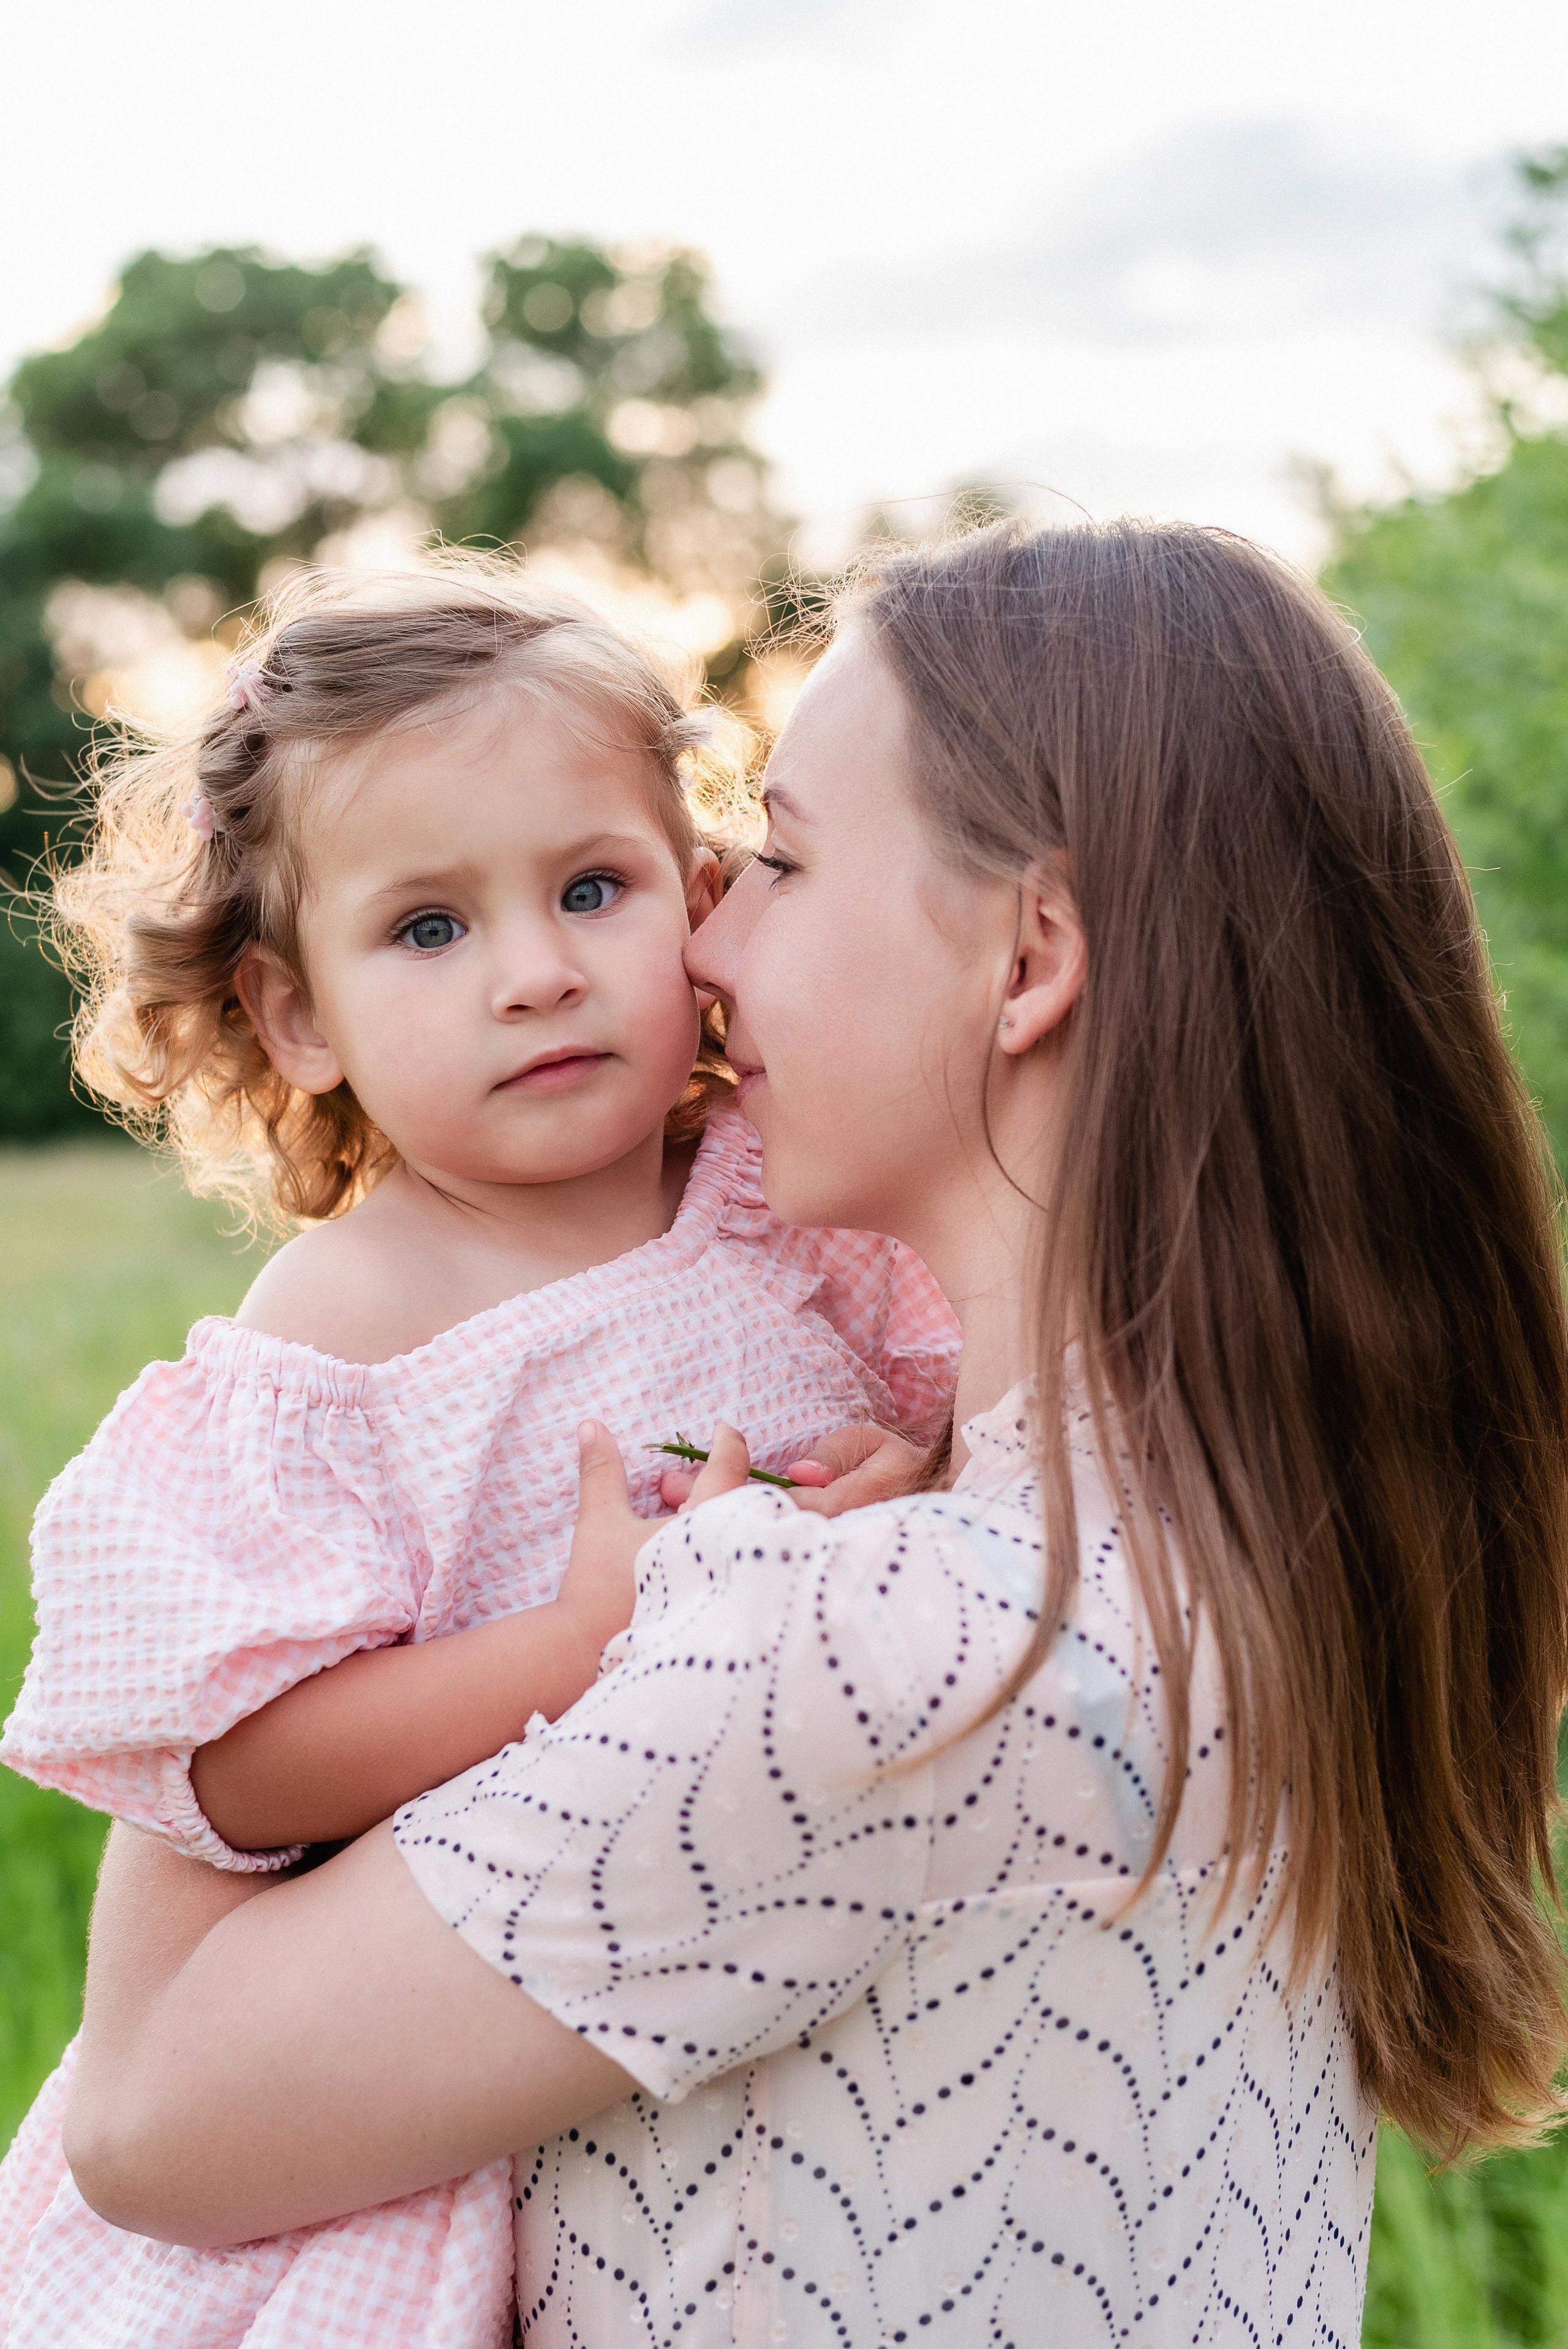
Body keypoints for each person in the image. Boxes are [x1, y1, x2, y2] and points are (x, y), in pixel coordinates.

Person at [58, 520, 1568, 2348]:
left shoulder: (869, 1649)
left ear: (1030, 962)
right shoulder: (1269, 1511)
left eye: (768, 858)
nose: (705, 938)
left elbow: (148, 2124)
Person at [0, 559, 956, 2348]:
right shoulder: (344, 1335)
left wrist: (900, 1465)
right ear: (295, 1014)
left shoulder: (781, 1199)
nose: (536, 974)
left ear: (701, 894)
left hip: (695, 2050)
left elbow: (957, 1417)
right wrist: (563, 1655)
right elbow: (228, 1766)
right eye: (428, 929)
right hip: (381, 2105)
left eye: (592, 888)